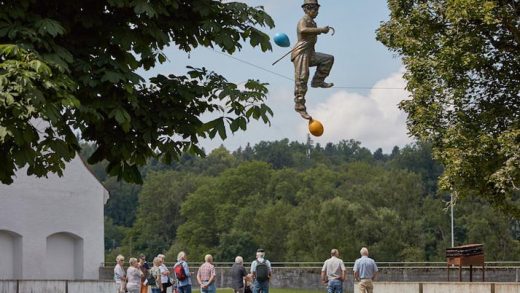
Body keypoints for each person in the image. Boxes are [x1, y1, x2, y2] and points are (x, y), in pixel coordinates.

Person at [291, 0, 334, 120]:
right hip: (301, 53)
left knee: (328, 59)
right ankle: (300, 106)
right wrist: (320, 30)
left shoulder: (313, 22)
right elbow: (303, 30)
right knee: (302, 78)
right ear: (306, 9)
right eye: (314, 9)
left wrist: (319, 29)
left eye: (317, 9)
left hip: (310, 53)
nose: (316, 12)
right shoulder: (303, 20)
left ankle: (317, 81)